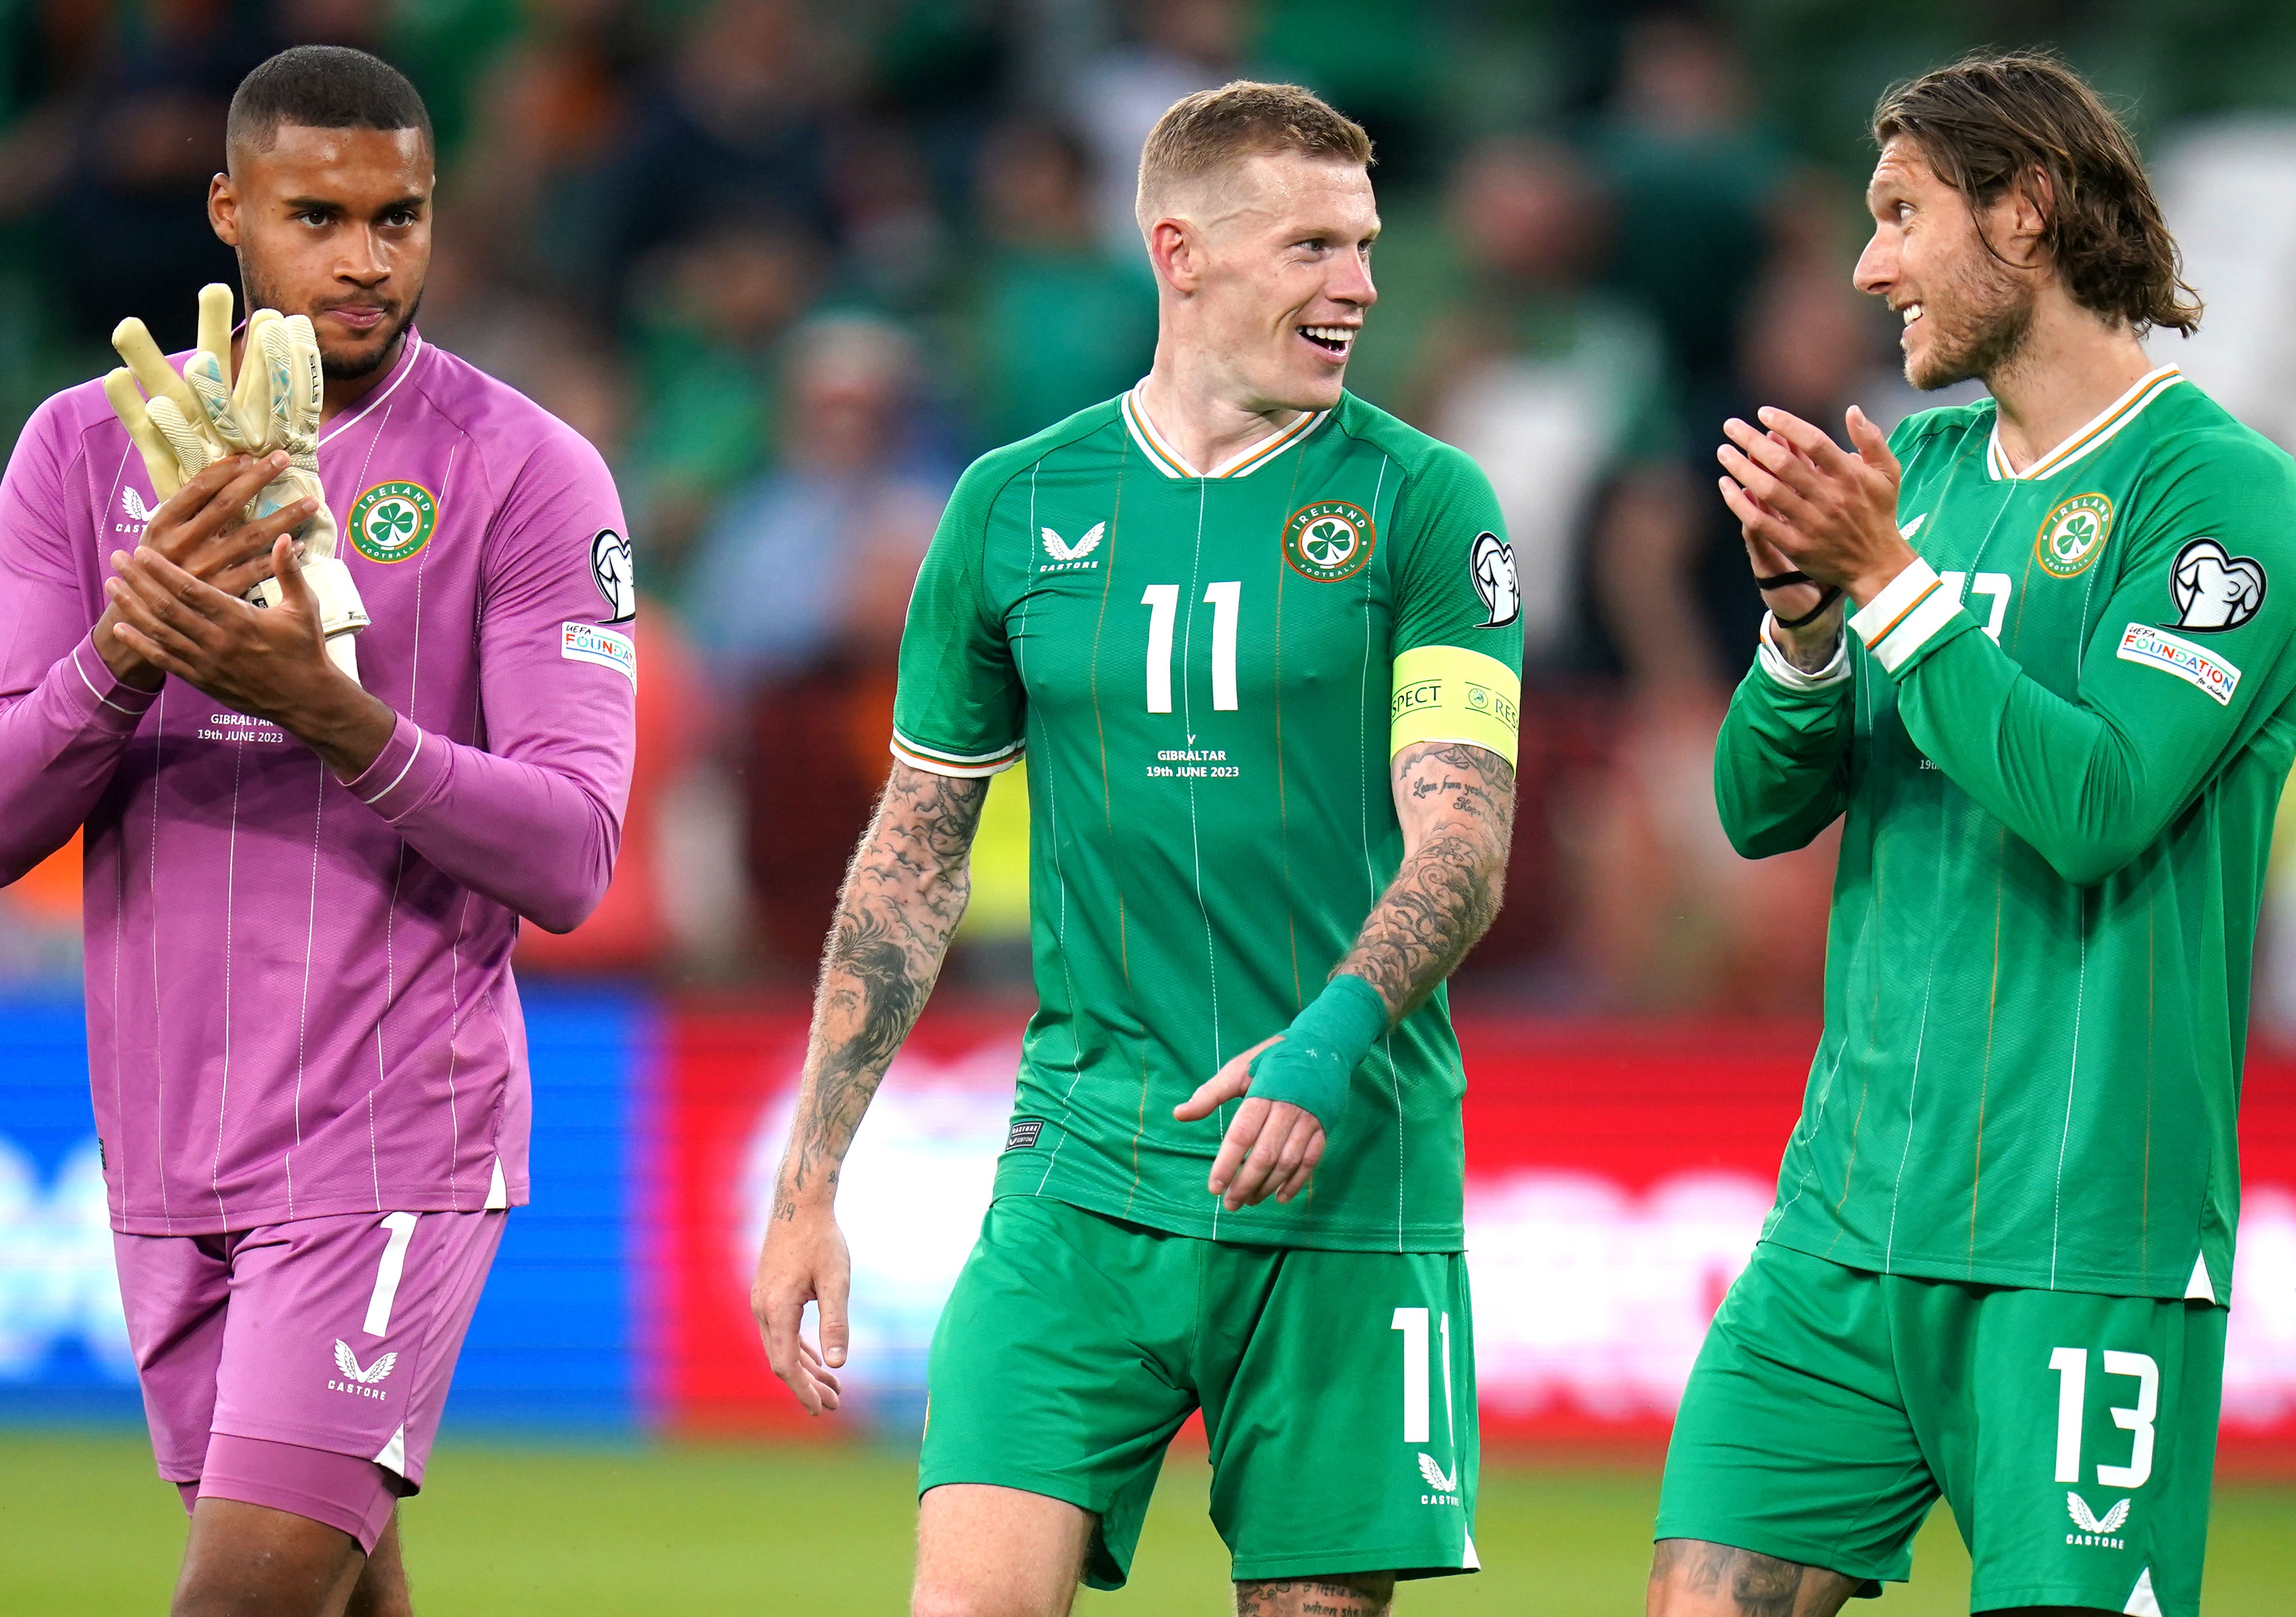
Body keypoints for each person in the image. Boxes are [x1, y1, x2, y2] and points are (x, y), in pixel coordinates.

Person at [750, 80, 1522, 1617]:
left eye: (1365, 248)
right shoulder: (1014, 507)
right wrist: (805, 1185)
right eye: (1315, 248)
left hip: (1345, 1184)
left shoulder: (1429, 505)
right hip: (1080, 1173)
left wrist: (1327, 1043)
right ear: (1183, 252)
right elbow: (912, 859)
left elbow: (1467, 838)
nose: (1361, 286)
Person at [1648, 52, 2296, 1617]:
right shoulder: (1923, 483)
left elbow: (2094, 808)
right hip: (1845, 1223)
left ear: (2026, 212)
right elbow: (1763, 809)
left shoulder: (2217, 499)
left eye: (1901, 214)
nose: (1869, 264)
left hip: (2081, 1239)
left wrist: (1883, 582)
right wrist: (1806, 623)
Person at [0, 46, 633, 1617]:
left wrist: (329, 709)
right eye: (316, 215)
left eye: (398, 217)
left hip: (388, 1135)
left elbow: (570, 854)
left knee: (243, 1601)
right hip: (164, 1142)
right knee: (340, 1596)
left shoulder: (530, 475)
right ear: (229, 209)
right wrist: (125, 659)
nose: (363, 258)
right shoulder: (83, 456)